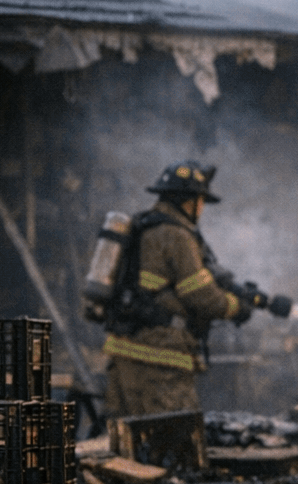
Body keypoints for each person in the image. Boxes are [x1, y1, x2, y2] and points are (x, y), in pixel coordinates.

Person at [101, 160, 253, 416]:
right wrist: (238, 308)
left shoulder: (142, 226)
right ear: (188, 200)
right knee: (171, 440)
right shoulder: (176, 235)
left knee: (125, 442)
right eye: (201, 201)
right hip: (161, 360)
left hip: (123, 353)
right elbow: (202, 296)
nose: (202, 208)